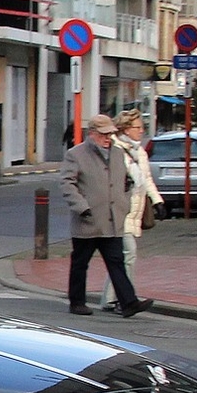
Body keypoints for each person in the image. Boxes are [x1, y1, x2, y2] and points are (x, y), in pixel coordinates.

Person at [61, 114, 151, 319]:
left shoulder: (118, 153)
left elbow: (126, 181)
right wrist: (81, 206)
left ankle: (129, 302)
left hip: (113, 220)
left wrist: (124, 201)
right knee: (80, 262)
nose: (108, 137)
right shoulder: (76, 154)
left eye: (110, 133)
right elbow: (67, 184)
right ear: (92, 134)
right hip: (88, 219)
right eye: (103, 134)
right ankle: (77, 301)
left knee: (116, 261)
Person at [113, 110, 162, 271]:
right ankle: (123, 296)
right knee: (129, 254)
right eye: (138, 127)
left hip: (136, 210)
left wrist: (157, 201)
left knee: (126, 257)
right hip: (121, 211)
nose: (142, 131)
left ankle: (119, 295)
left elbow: (146, 178)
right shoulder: (115, 150)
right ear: (126, 129)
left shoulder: (139, 151)